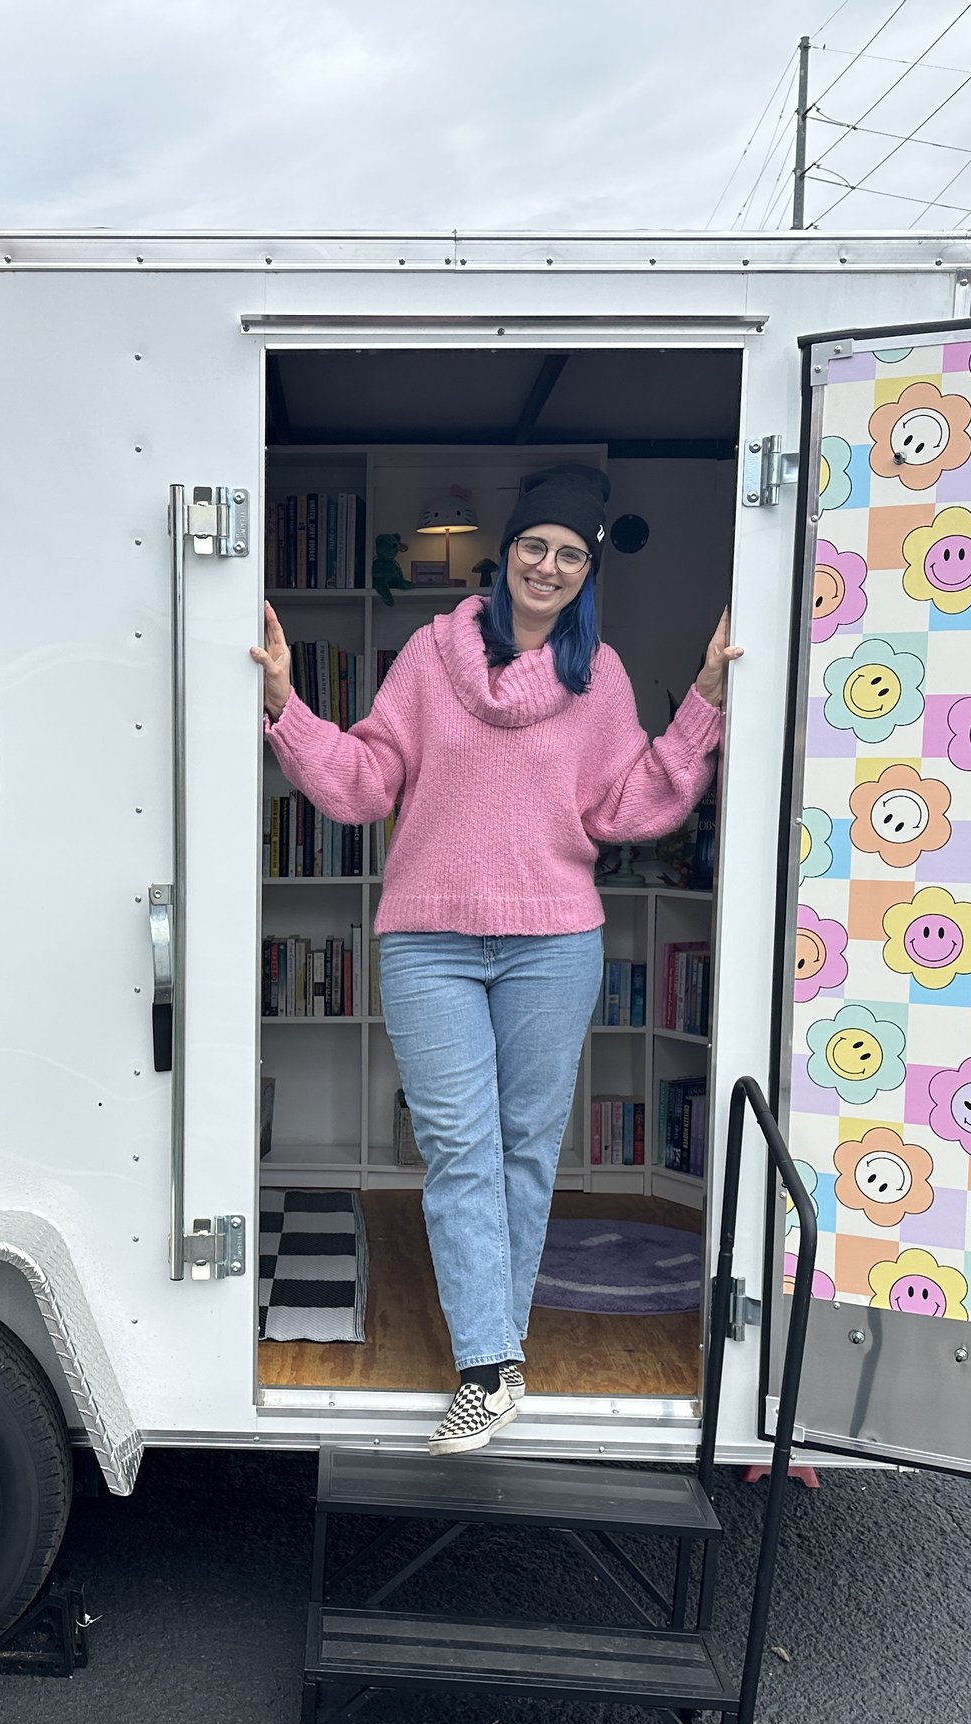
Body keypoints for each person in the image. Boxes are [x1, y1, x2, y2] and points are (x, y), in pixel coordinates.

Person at [253, 464, 737, 1455]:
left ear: (585, 569)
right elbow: (361, 781)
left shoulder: (593, 678)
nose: (548, 565)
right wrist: (285, 706)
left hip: (552, 943)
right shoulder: (429, 662)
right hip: (429, 941)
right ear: (504, 554)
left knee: (520, 1153)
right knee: (459, 1150)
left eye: (568, 553)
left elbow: (624, 808)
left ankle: (491, 1361)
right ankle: (489, 1365)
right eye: (534, 546)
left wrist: (701, 705)